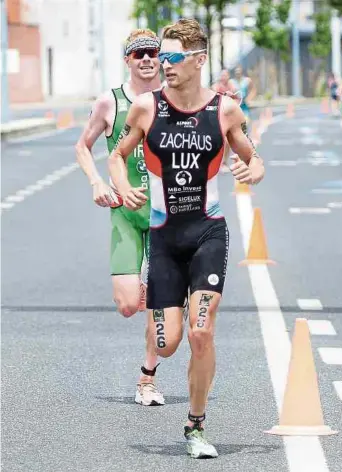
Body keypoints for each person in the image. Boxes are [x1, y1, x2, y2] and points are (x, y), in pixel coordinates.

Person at [107, 18, 265, 459]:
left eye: (172, 57)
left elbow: (255, 159)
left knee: (201, 333)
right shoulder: (145, 107)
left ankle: (195, 426)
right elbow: (118, 156)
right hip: (163, 236)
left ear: (198, 61)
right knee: (166, 343)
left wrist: (252, 170)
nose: (162, 63)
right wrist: (122, 185)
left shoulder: (226, 110)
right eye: (160, 55)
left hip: (207, 233)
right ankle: (156, 353)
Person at [75, 28, 166, 407]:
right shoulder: (110, 102)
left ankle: (147, 378)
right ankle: (152, 295)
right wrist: (97, 181)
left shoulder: (175, 100)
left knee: (160, 300)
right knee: (130, 305)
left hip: (166, 215)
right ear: (127, 60)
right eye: (138, 53)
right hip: (125, 214)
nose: (146, 59)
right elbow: (83, 146)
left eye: (152, 53)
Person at [211, 69, 238, 172]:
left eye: (226, 75)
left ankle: (224, 162)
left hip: (228, 117)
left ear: (228, 76)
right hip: (216, 117)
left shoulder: (232, 86)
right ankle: (214, 161)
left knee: (226, 141)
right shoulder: (215, 87)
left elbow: (237, 98)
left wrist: (233, 99)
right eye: (222, 75)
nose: (224, 77)